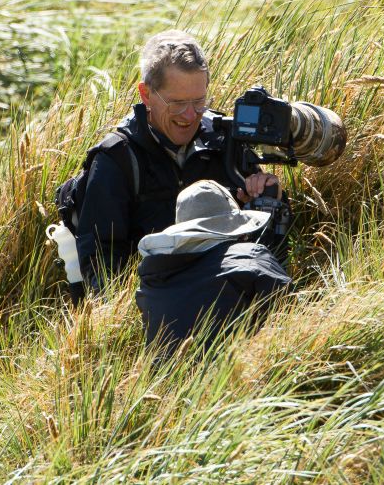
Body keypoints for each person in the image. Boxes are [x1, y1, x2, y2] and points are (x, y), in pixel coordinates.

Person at [74, 30, 282, 289]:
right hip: (153, 304)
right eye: (177, 103)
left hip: (228, 294)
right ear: (146, 95)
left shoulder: (224, 140)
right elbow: (99, 263)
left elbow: (268, 247)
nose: (189, 115)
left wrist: (268, 200)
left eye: (199, 101)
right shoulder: (116, 160)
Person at [136, 180, 291, 349]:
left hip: (166, 375)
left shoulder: (149, 284)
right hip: (239, 372)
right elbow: (297, 314)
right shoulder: (250, 256)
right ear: (233, 223)